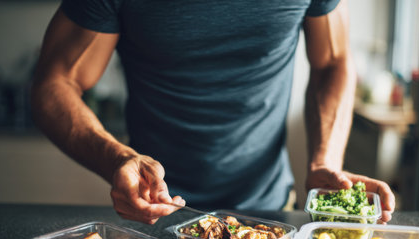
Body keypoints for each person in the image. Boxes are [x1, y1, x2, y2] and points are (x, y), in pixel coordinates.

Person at [31, 0, 395, 225]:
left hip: (270, 211)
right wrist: (117, 159)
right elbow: (55, 83)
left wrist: (324, 161)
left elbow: (333, 61)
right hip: (157, 213)